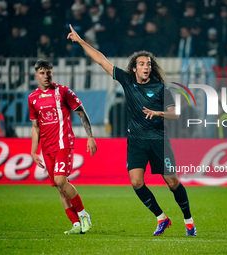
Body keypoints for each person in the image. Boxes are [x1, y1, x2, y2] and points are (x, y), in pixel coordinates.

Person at [67, 25, 197, 236]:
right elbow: (101, 60)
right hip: (136, 140)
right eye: (141, 63)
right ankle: (162, 218)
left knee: (172, 182)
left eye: (148, 63)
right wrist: (81, 41)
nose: (146, 66)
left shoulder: (160, 88)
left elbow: (176, 114)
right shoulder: (127, 80)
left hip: (158, 140)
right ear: (134, 68)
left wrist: (159, 113)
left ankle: (189, 221)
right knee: (136, 182)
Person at [28, 59, 97, 235]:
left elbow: (81, 112)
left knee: (60, 180)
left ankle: (83, 214)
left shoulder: (63, 91)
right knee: (60, 188)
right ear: (36, 76)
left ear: (52, 72)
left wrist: (90, 136)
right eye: (42, 73)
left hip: (63, 142)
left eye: (49, 71)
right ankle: (75, 224)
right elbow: (35, 127)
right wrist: (33, 151)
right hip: (47, 147)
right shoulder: (32, 98)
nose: (46, 75)